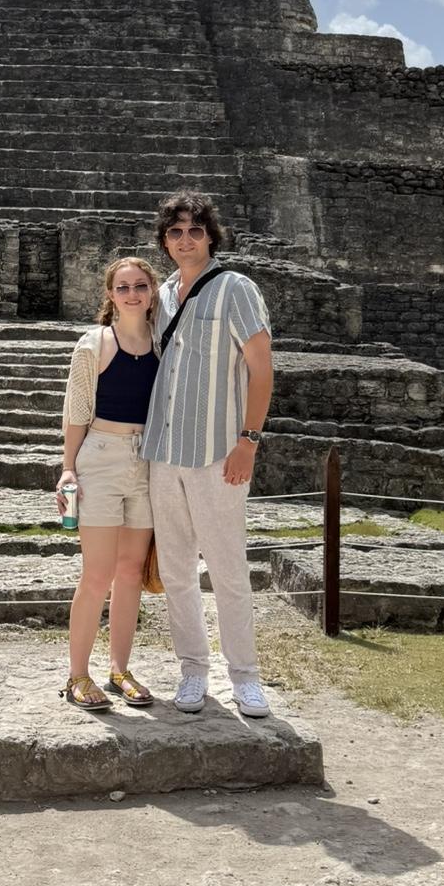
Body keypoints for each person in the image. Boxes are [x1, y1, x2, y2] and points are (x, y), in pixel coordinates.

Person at [142, 191, 274, 718]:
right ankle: (193, 670)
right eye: (175, 232)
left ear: (211, 236)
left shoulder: (236, 289)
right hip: (164, 450)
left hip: (218, 451)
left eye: (195, 230)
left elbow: (261, 368)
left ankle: (245, 677)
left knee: (227, 569)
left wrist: (249, 441)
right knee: (176, 570)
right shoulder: (165, 294)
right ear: (165, 241)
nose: (185, 239)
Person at [54, 256, 161, 710]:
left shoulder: (163, 343)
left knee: (131, 572)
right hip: (100, 456)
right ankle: (78, 675)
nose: (132, 294)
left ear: (152, 292)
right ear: (110, 295)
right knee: (97, 574)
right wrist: (67, 469)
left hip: (147, 462)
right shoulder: (93, 344)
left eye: (140, 285)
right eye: (123, 287)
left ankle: (120, 669)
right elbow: (76, 411)